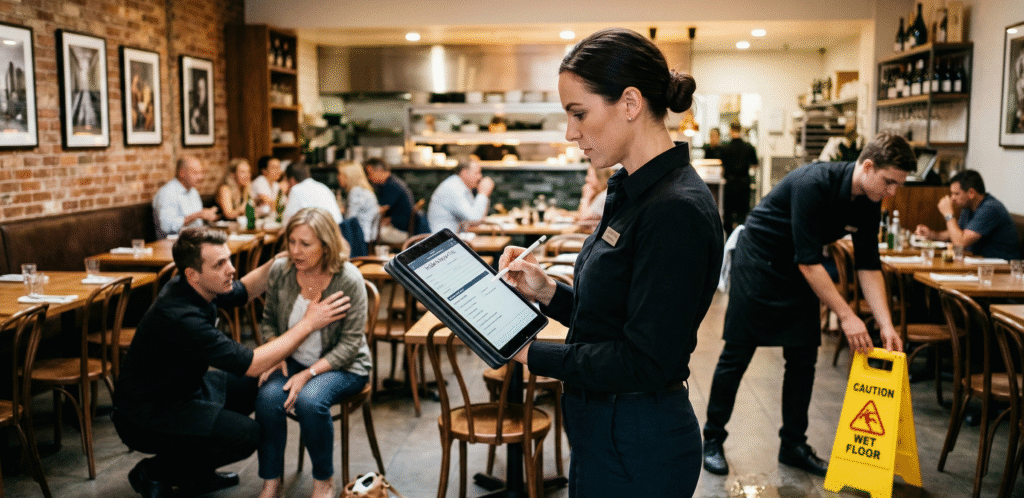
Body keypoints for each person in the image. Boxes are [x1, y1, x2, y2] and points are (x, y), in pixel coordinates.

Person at [498, 28, 722, 497]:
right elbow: (614, 312)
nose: (570, 131)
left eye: (579, 113)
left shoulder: (674, 209)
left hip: (639, 440)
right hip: (605, 429)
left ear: (630, 103)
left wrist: (524, 351)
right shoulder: (632, 189)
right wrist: (547, 291)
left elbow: (643, 359)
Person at [701, 132, 914, 479]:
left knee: (802, 358)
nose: (892, 192)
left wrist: (886, 326)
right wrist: (847, 316)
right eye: (889, 182)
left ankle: (793, 445)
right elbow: (809, 262)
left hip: (799, 268)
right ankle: (712, 439)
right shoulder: (815, 182)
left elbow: (868, 265)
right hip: (760, 261)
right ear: (869, 166)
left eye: (898, 186)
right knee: (736, 355)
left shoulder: (869, 200)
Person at [113, 226, 352, 498]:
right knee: (246, 435)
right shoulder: (180, 317)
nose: (231, 270)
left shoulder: (198, 283)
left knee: (261, 384)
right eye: (220, 264)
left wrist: (285, 258)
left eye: (228, 259)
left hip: (186, 388)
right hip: (148, 412)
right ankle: (156, 472)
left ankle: (195, 471)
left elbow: (243, 292)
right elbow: (251, 362)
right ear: (193, 274)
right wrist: (308, 323)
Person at [255, 207, 371, 498]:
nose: (295, 251)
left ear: (326, 245)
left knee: (309, 400)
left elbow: (350, 345)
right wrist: (276, 353)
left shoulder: (348, 279)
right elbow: (268, 321)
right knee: (267, 399)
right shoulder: (281, 272)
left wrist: (308, 374)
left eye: (305, 244)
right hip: (293, 359)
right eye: (292, 242)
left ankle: (323, 483)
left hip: (343, 365)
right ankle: (271, 482)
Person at [913, 169, 1018, 260]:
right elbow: (956, 233)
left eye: (956, 193)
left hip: (1001, 267)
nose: (952, 198)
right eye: (952, 193)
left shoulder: (990, 208)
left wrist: (948, 215)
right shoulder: (968, 207)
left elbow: (960, 243)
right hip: (978, 262)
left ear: (971, 193)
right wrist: (931, 234)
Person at [152, 156, 219, 239]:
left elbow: (198, 223)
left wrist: (208, 216)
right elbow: (166, 227)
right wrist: (197, 215)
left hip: (195, 239)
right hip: (174, 244)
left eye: (201, 173)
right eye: (195, 173)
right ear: (182, 173)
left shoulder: (193, 191)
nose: (200, 177)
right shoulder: (167, 193)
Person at [427, 160, 494, 233]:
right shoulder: (453, 187)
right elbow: (475, 219)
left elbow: (479, 218)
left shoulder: (463, 186)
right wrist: (483, 193)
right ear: (464, 172)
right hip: (445, 241)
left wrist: (484, 195)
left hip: (456, 236)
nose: (480, 177)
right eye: (477, 173)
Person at [364, 157, 418, 244]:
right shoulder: (392, 182)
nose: (369, 177)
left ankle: (368, 256)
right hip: (403, 228)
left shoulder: (391, 186)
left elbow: (380, 209)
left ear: (379, 171)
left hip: (401, 232)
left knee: (367, 233)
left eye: (370, 173)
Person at [720, 122, 759, 235]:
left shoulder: (724, 147)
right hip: (744, 184)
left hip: (730, 185)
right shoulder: (749, 147)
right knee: (742, 214)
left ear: (730, 131)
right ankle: (740, 239)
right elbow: (754, 165)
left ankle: (728, 239)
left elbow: (722, 168)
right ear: (740, 130)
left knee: (728, 214)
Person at [336, 160, 380, 243]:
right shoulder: (362, 190)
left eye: (340, 174)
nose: (338, 177)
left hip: (361, 237)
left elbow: (349, 219)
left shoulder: (356, 192)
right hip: (367, 233)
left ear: (348, 176)